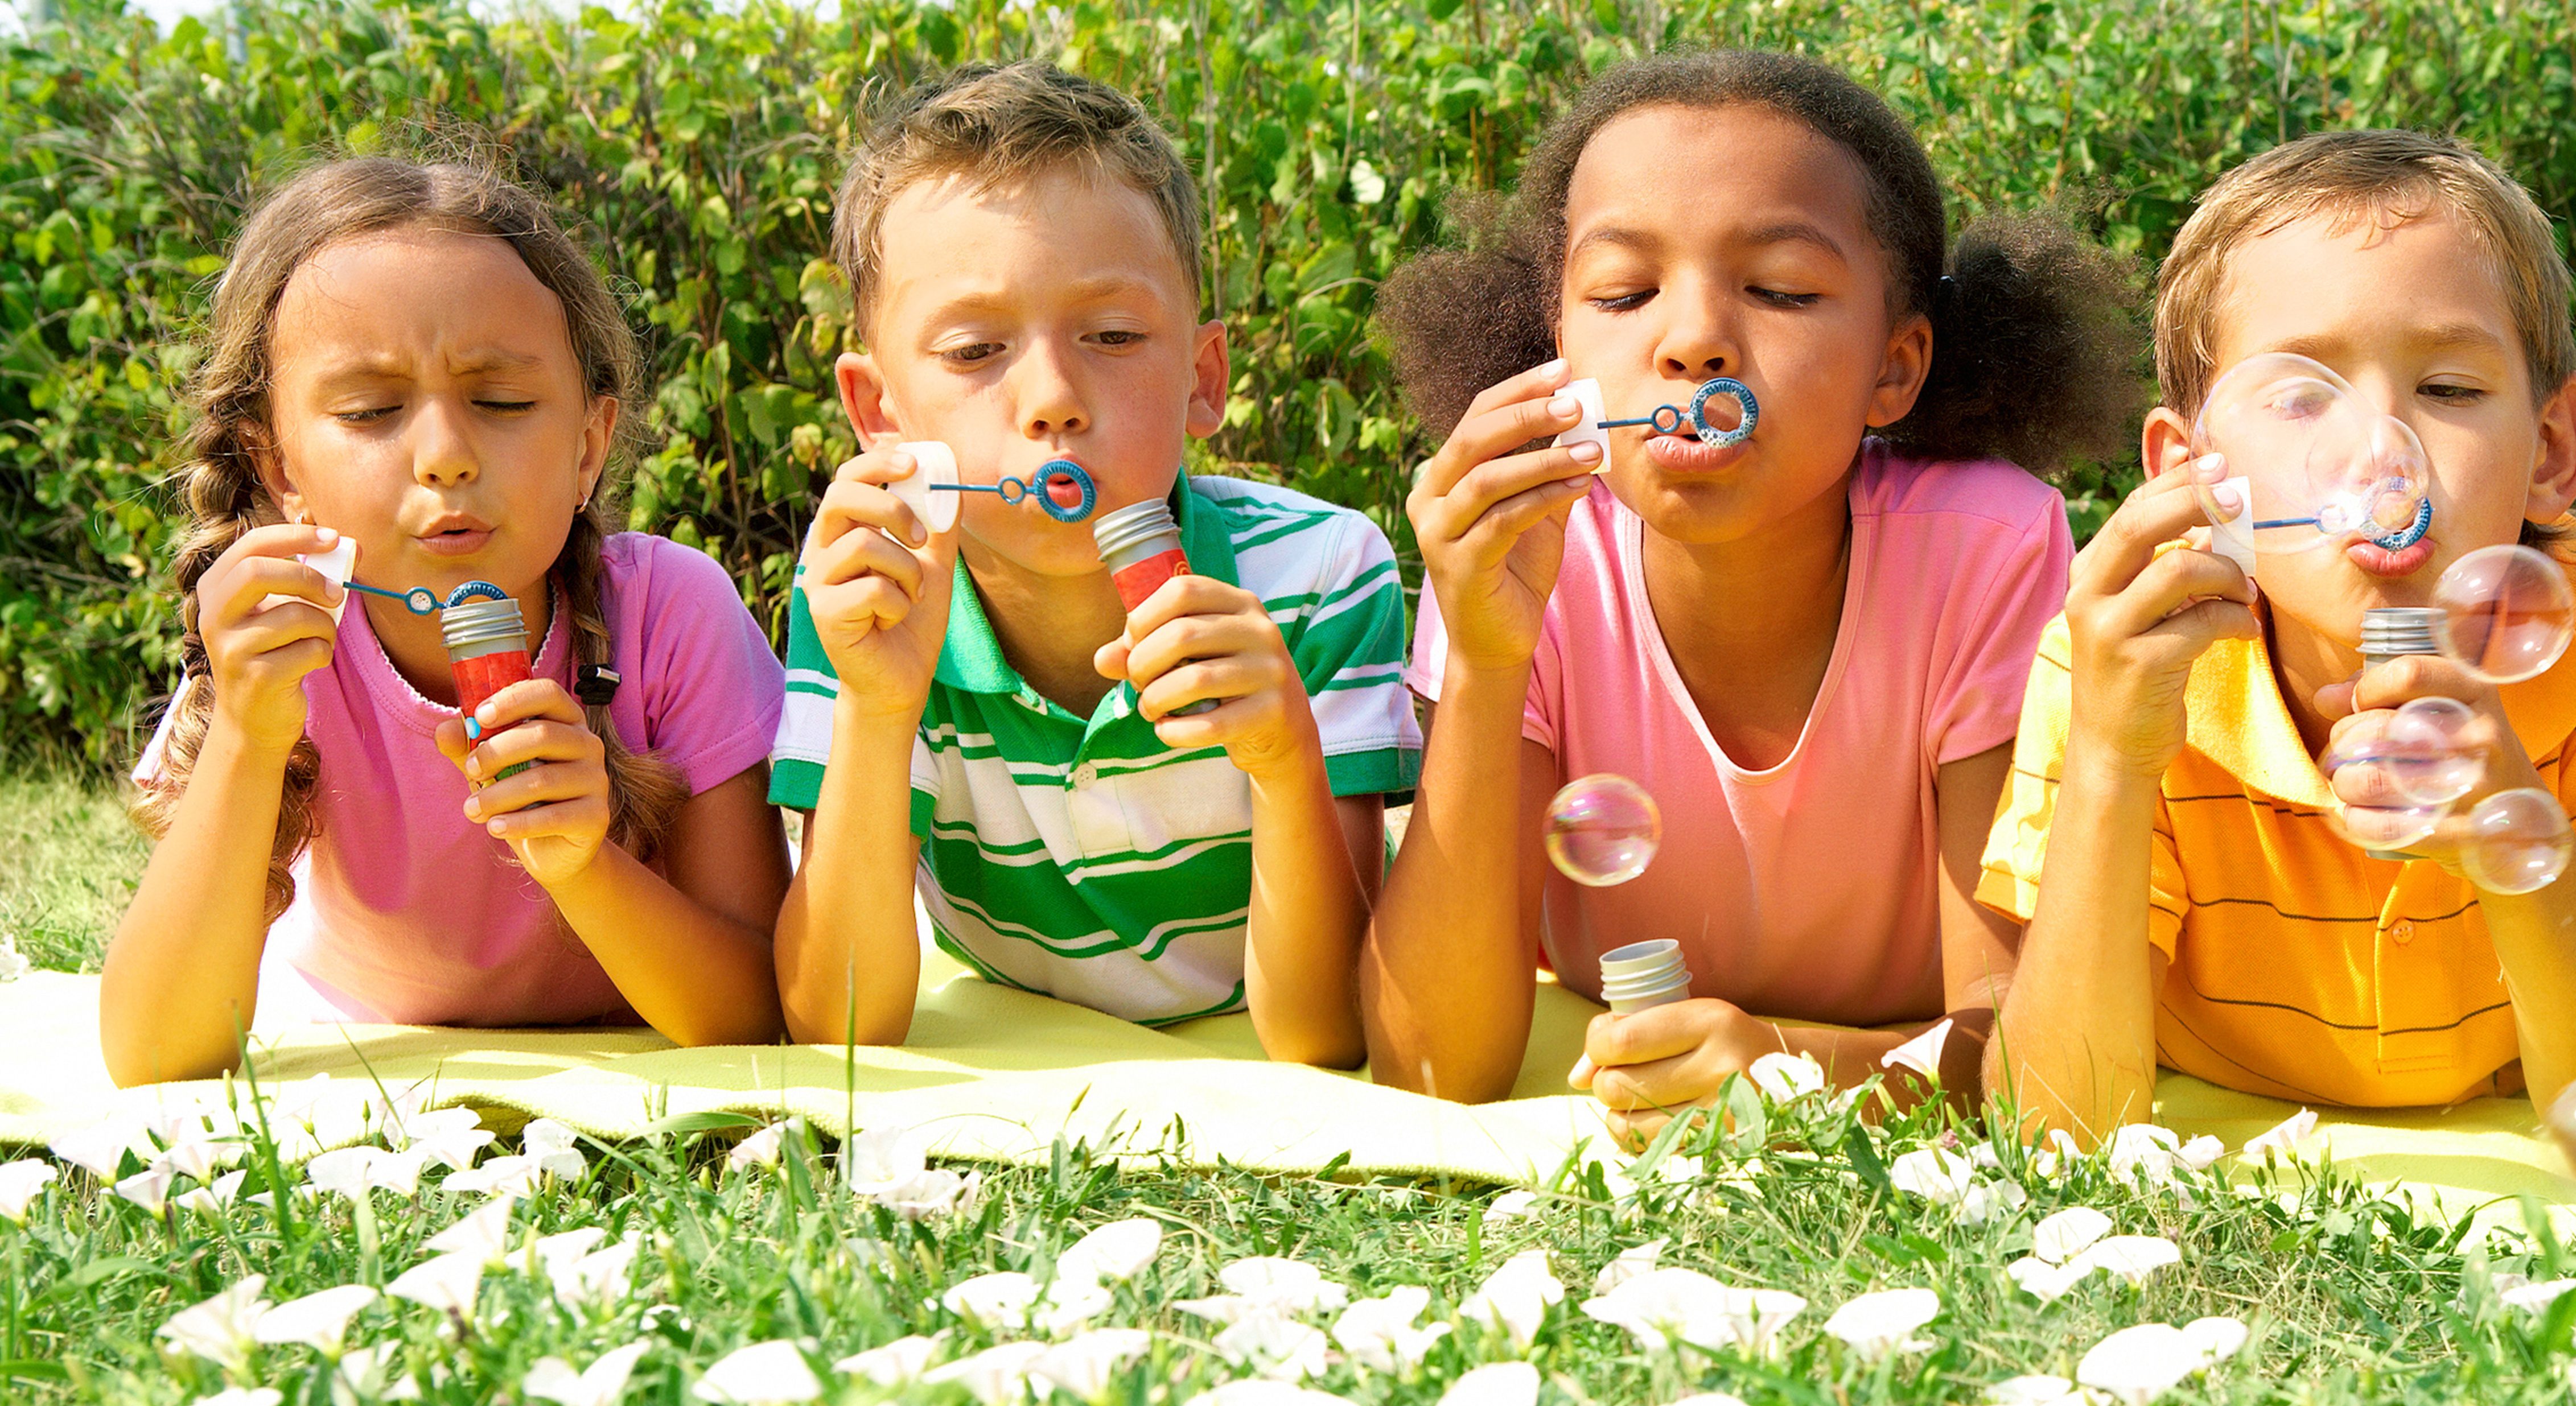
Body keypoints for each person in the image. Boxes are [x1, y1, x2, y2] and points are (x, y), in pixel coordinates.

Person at [1370, 49, 2142, 1127]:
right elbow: (1430, 1069)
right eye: (1623, 292)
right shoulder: (1527, 553)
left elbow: (2016, 1043)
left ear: (1895, 367)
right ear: (1558, 349)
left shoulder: (1983, 546)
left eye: (1779, 289)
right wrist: (1488, 656)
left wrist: (1786, 1067)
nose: (1690, 343)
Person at [1984, 131, 2576, 1137]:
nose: (2380, 461)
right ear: (2187, 475)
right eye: (2301, 397)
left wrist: (2515, 833)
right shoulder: (2122, 656)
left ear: (2552, 452)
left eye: (2449, 392)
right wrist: (2114, 761)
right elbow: (2048, 1129)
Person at [772, 63, 1415, 1058]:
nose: (1053, 399)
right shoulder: (868, 602)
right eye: (976, 350)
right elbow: (838, 1026)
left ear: (1205, 382)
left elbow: (1329, 1031)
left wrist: (1286, 762)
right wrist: (880, 706)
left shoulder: (1319, 576)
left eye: (1112, 334)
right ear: (878, 415)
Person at [104, 158, 791, 1085]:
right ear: (280, 469)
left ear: (589, 447)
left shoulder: (672, 615)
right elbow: (154, 1058)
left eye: (500, 401)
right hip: (367, 1034)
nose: (445, 457)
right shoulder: (280, 635)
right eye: (371, 410)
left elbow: (754, 1012)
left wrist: (581, 864)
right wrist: (243, 735)